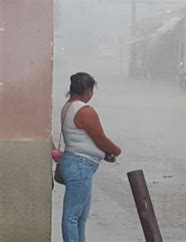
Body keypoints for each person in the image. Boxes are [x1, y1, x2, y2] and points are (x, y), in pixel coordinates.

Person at [59, 72, 121, 242]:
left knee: (80, 216)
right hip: (80, 165)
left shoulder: (68, 106)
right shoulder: (85, 111)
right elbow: (101, 139)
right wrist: (116, 150)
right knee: (73, 215)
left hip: (75, 163)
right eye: (91, 90)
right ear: (87, 90)